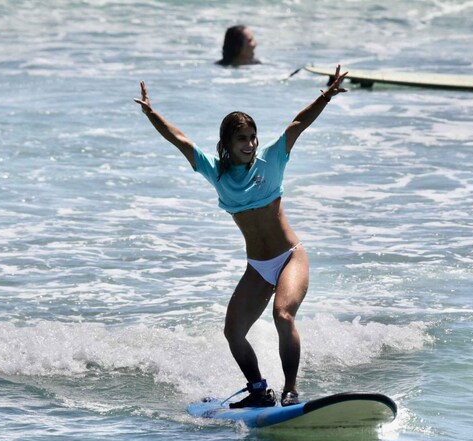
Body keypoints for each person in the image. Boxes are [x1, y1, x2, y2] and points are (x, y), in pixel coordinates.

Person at [134, 66, 348, 408]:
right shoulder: (216, 173)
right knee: (233, 332)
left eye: (252, 136)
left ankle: (291, 389)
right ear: (227, 143)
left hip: (290, 256)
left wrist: (326, 95)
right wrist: (151, 113)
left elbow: (297, 124)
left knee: (283, 315)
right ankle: (259, 390)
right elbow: (180, 141)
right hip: (259, 266)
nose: (249, 144)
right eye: (241, 138)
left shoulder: (271, 160)